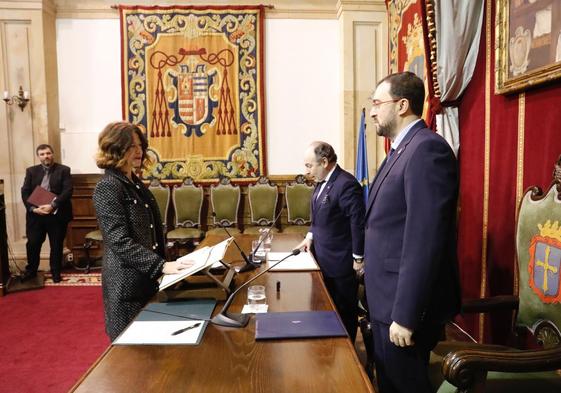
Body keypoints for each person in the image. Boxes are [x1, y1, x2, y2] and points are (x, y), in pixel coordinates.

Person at [364, 71, 461, 393]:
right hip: (384, 298)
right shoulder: (401, 150)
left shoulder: (426, 150)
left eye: (378, 103)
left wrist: (405, 315)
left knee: (406, 386)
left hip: (401, 307)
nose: (373, 111)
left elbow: (425, 239)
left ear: (402, 105)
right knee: (389, 384)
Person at [93, 121, 193, 341]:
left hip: (145, 281)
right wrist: (162, 265)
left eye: (140, 145)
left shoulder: (132, 182)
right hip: (127, 286)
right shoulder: (108, 186)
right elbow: (119, 241)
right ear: (115, 148)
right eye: (131, 146)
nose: (139, 151)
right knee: (130, 355)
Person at [295, 141, 365, 342]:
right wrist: (309, 237)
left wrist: (358, 257)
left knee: (344, 314)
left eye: (309, 165)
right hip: (322, 258)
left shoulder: (346, 184)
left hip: (340, 263)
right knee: (325, 309)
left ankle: (348, 356)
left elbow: (358, 223)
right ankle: (329, 349)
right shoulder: (321, 183)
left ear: (324, 162)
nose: (306, 170)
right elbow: (318, 216)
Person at [21, 144, 73, 283]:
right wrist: (33, 209)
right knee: (32, 243)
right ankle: (31, 271)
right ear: (38, 156)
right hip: (36, 215)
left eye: (48, 153)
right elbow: (25, 191)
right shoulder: (31, 171)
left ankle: (56, 272)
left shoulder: (64, 170)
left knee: (56, 245)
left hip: (57, 214)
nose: (46, 156)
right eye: (42, 154)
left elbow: (68, 191)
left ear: (53, 154)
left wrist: (52, 205)